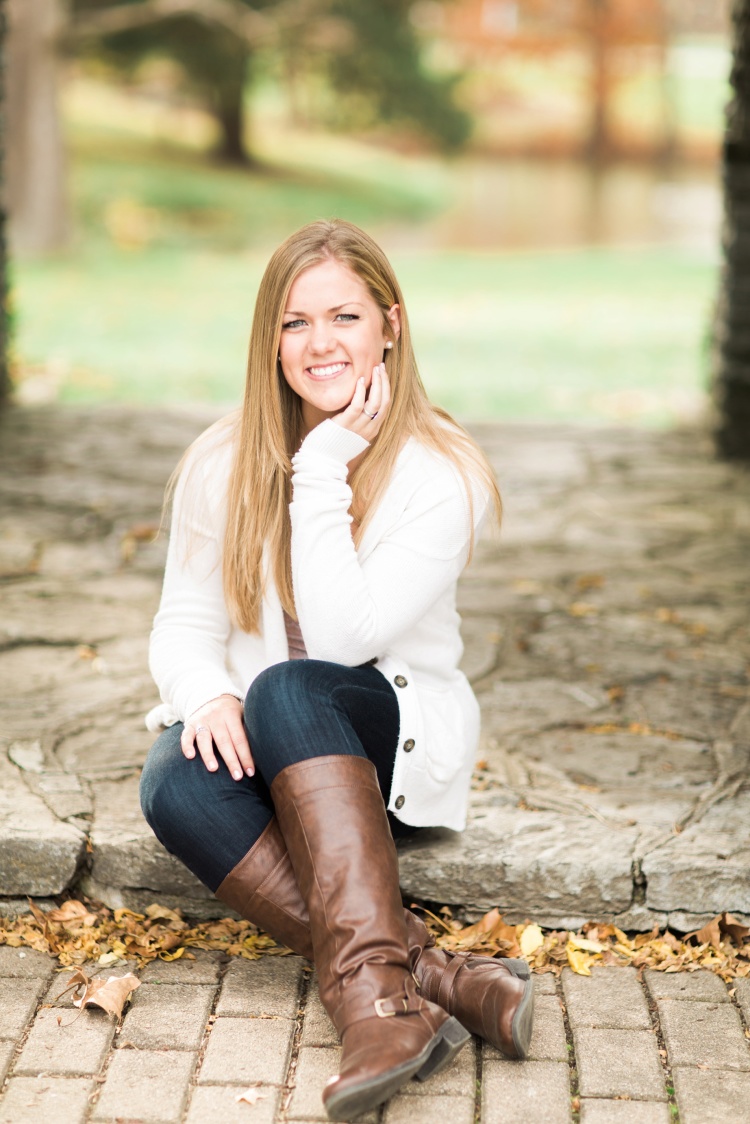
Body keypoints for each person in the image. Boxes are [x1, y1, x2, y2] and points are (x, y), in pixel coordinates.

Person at [140, 219, 533, 1120]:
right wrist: (204, 694)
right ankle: (429, 982)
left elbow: (343, 640)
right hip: (279, 742)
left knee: (291, 685)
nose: (319, 345)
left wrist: (320, 468)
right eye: (293, 323)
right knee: (172, 778)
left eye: (344, 317)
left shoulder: (440, 473)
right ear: (267, 338)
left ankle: (377, 1007)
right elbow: (184, 624)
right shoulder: (222, 459)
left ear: (389, 326)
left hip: (385, 735)